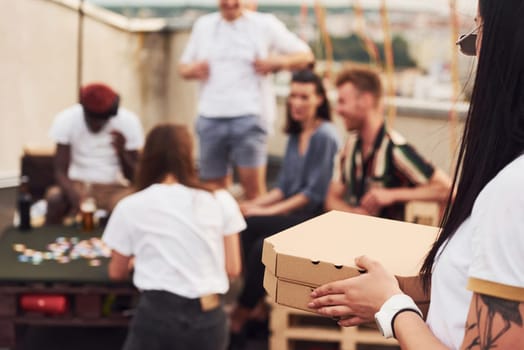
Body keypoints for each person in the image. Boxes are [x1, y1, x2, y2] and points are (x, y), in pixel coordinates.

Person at [309, 1, 524, 349]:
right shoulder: (349, 149)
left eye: (477, 32)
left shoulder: (511, 191)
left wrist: (392, 307)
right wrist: (389, 290)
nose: (474, 53)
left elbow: (442, 190)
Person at [102, 124, 245, 350]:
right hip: (208, 315)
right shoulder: (221, 199)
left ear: (147, 157)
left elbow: (116, 272)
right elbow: (233, 268)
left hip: (156, 314)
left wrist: (139, 261)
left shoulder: (130, 205)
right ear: (189, 156)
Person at [229, 70, 341, 345]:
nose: (297, 102)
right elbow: (282, 187)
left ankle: (244, 310)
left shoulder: (324, 135)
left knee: (260, 244)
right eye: (293, 95)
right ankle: (256, 304)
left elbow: (310, 195)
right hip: (294, 212)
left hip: (314, 218)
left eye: (304, 96)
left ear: (319, 100)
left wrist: (264, 212)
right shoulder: (295, 135)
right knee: (244, 221)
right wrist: (251, 205)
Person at [178, 0, 314, 200]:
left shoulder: (264, 24)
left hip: (249, 117)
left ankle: (256, 231)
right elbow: (182, 68)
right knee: (213, 192)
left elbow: (306, 56)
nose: (231, 4)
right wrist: (193, 69)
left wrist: (277, 62)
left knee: (254, 192)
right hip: (210, 117)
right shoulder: (203, 25)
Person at [325, 66, 451, 221]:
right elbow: (331, 199)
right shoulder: (350, 146)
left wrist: (392, 195)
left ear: (365, 100)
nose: (338, 110)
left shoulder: (395, 149)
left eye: (342, 101)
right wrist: (355, 215)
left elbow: (448, 190)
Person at [45, 82, 144, 224]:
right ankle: (48, 240)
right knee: (55, 199)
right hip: (78, 185)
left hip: (115, 188)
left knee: (128, 205)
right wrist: (75, 196)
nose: (97, 125)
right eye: (92, 120)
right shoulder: (66, 119)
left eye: (102, 121)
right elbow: (60, 171)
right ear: (84, 110)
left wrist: (122, 153)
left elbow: (135, 177)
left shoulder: (128, 122)